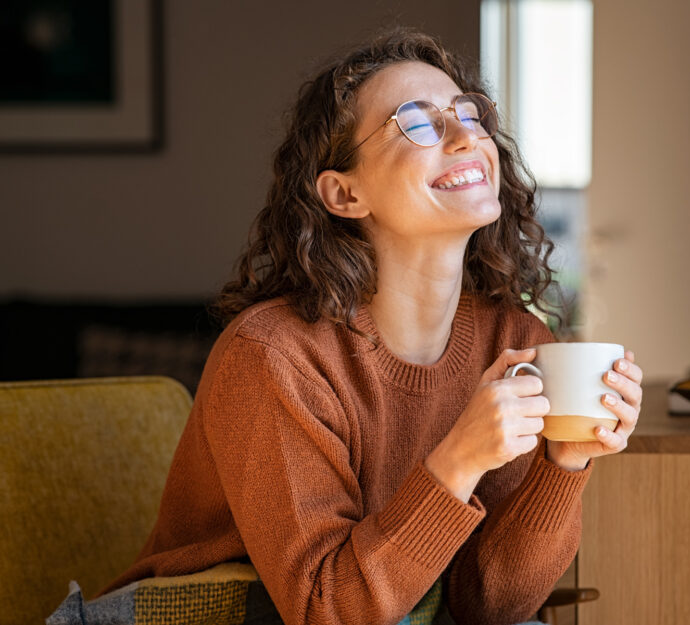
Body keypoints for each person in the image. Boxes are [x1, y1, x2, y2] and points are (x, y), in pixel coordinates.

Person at [100, 29, 643, 625]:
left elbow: (487, 609)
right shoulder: (273, 356)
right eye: (416, 122)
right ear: (344, 193)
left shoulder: (513, 343)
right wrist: (457, 461)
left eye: (470, 113)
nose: (466, 136)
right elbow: (323, 610)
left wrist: (563, 464)